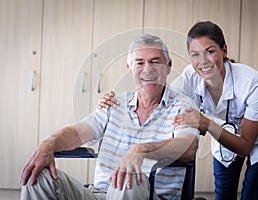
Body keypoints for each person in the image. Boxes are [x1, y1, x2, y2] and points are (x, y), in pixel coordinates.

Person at [98, 21, 258, 200]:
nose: (203, 61)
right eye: (195, 54)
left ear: (224, 51)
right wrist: (120, 102)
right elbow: (159, 97)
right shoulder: (190, 76)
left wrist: (207, 124)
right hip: (224, 131)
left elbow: (245, 146)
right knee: (224, 192)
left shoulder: (251, 82)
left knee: (252, 191)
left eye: (210, 51)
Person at [20, 34, 200, 200]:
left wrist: (142, 150)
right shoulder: (114, 104)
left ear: (168, 66)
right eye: (139, 63)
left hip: (149, 195)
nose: (148, 70)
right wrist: (48, 144)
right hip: (99, 194)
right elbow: (77, 133)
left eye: (155, 62)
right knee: (38, 176)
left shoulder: (183, 106)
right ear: (129, 68)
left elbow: (188, 147)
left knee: (129, 177)